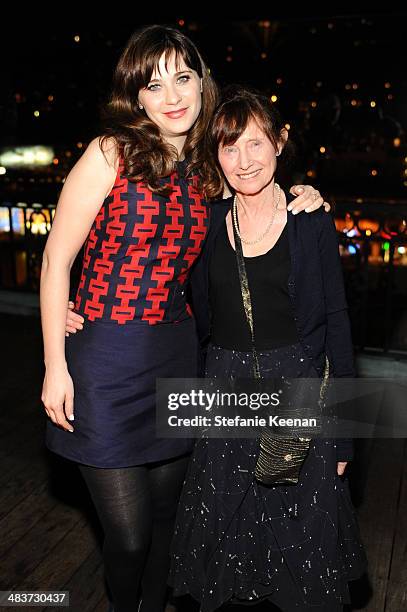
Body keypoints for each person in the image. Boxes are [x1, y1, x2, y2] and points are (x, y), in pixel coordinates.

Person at [44, 25, 328, 612]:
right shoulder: (109, 152)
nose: (171, 94)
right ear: (136, 96)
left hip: (177, 357)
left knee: (172, 520)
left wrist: (305, 196)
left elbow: (257, 192)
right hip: (102, 360)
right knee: (128, 536)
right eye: (153, 83)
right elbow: (55, 259)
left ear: (201, 84)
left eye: (183, 77)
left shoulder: (208, 166)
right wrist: (55, 365)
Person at [167, 87, 368, 612]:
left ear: (280, 143)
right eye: (229, 148)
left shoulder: (311, 219)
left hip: (298, 393)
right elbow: (150, 272)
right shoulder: (206, 221)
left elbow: (338, 324)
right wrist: (78, 308)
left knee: (301, 559)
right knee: (229, 558)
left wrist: (345, 437)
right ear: (216, 156)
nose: (243, 161)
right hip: (225, 396)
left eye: (255, 144)